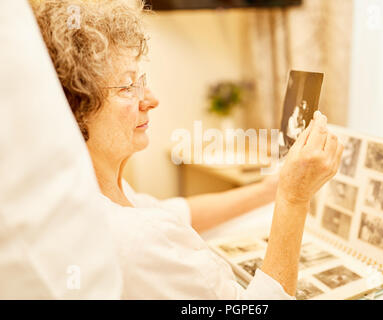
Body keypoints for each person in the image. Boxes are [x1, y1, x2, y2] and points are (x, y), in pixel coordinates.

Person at [31, 0, 343, 299]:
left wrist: (270, 189)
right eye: (127, 87)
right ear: (74, 110)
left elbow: (176, 213)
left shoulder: (90, 192)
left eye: (141, 80)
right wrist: (294, 198)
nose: (151, 99)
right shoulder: (134, 241)